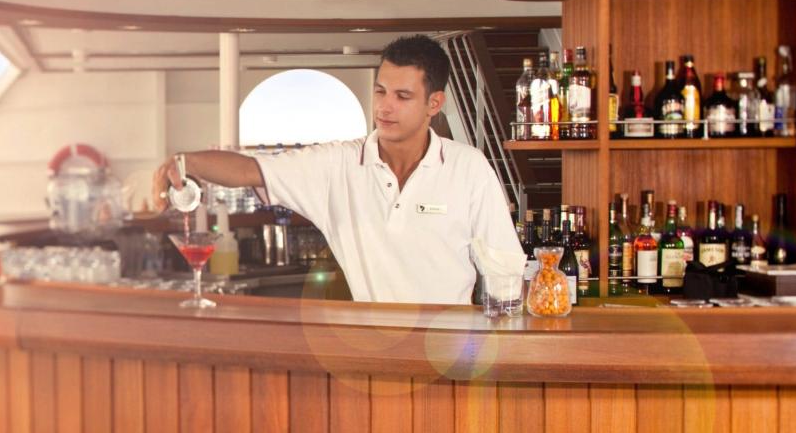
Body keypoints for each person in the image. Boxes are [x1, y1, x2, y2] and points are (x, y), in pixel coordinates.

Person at [152, 34, 522, 304]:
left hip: (451, 351)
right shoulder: (337, 165)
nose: (385, 107)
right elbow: (250, 169)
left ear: (434, 103)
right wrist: (184, 161)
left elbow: (505, 271)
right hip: (371, 349)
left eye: (402, 96)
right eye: (380, 92)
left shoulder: (470, 168)